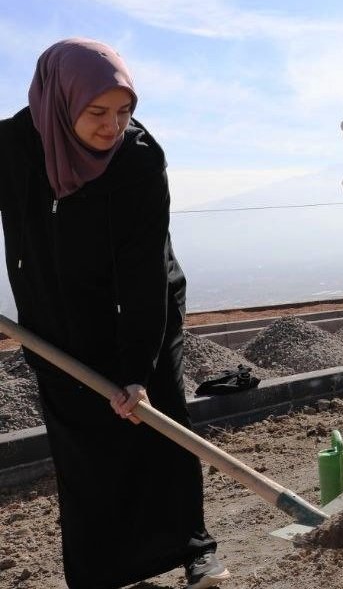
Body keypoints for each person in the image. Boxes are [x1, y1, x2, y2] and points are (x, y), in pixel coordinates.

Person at [0, 39, 229, 587]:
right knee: (81, 447)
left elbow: (143, 276)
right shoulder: (12, 145)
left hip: (142, 307)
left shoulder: (138, 161)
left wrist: (136, 373)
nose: (113, 126)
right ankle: (96, 573)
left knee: (162, 423)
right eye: (98, 112)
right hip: (54, 319)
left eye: (124, 110)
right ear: (59, 104)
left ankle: (194, 548)